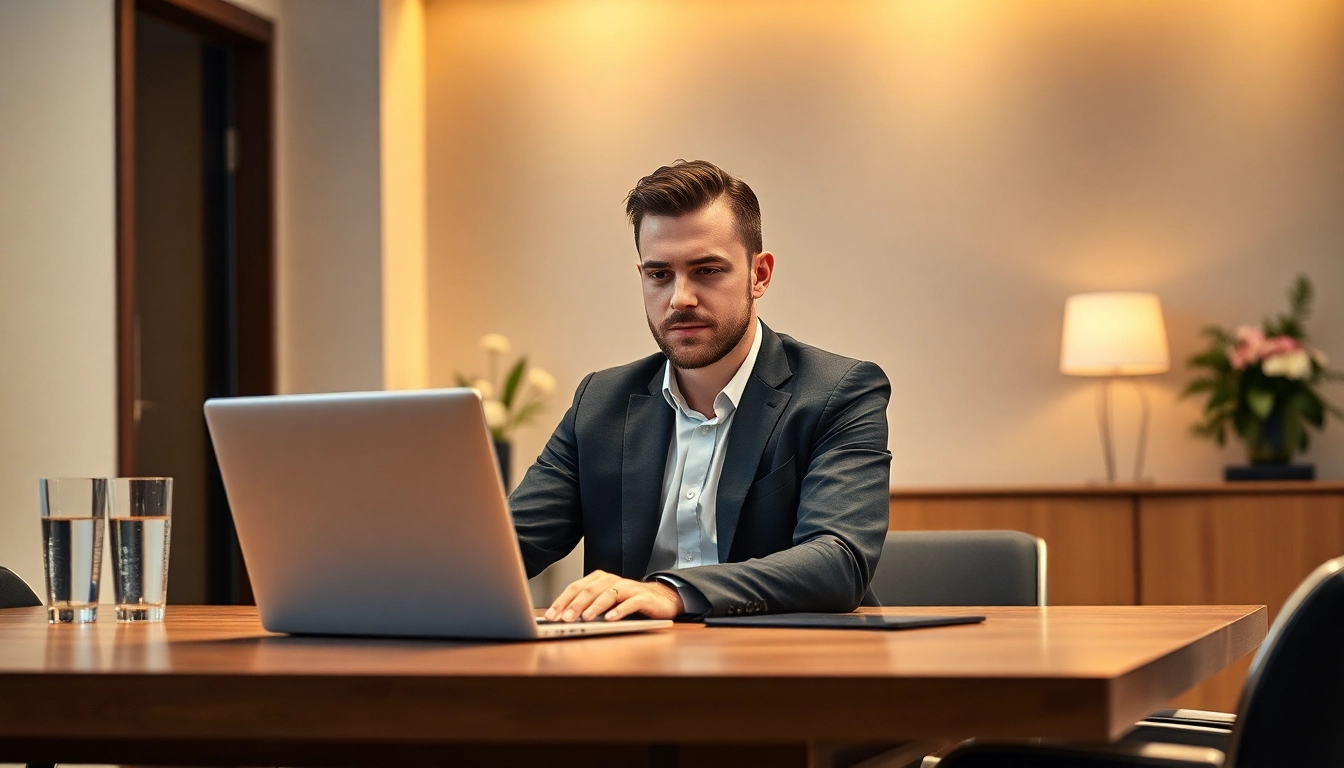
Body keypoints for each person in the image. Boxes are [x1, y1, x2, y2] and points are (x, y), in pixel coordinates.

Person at [510, 160, 891, 621]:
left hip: (784, 657)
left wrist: (674, 592)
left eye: (707, 270)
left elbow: (839, 562)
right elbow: (505, 548)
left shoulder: (839, 392)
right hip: (626, 660)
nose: (680, 298)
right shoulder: (599, 403)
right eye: (659, 275)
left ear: (759, 274)